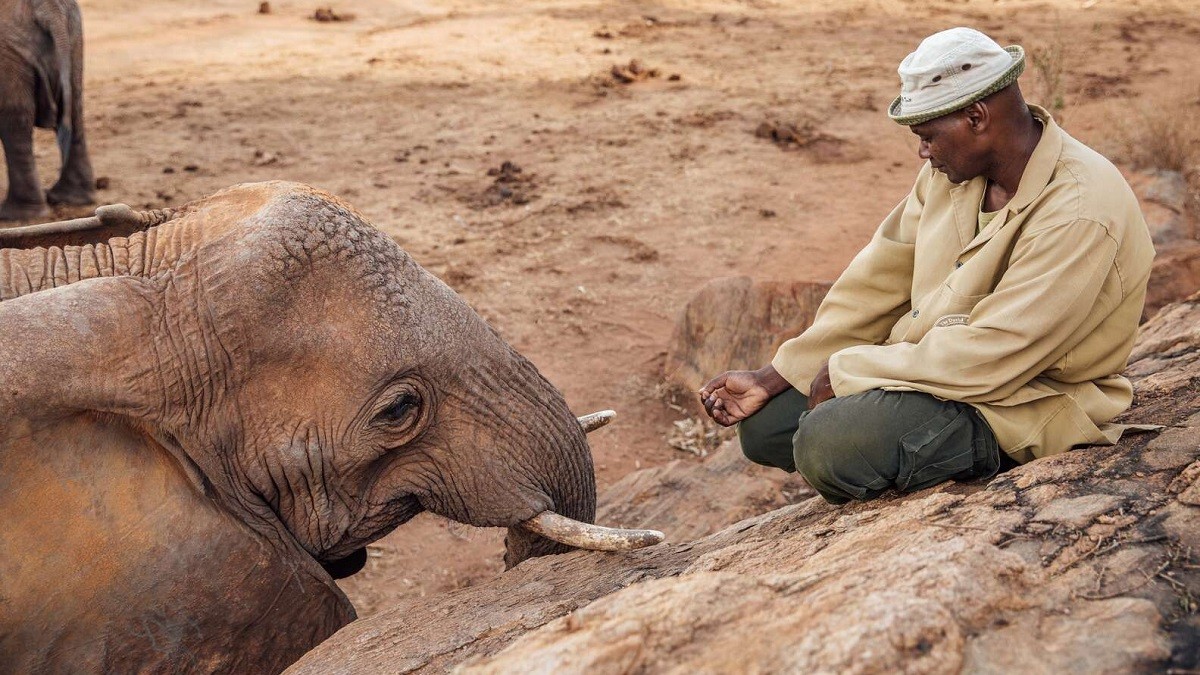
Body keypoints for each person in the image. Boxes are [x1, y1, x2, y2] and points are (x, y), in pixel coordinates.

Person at [698, 27, 1154, 504]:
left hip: (1022, 396)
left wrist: (850, 370)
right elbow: (875, 283)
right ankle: (896, 436)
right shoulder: (951, 175)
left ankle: (961, 454)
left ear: (976, 117)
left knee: (826, 444)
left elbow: (997, 352)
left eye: (927, 136)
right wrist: (774, 376)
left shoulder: (1080, 207)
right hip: (933, 364)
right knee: (766, 428)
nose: (922, 152)